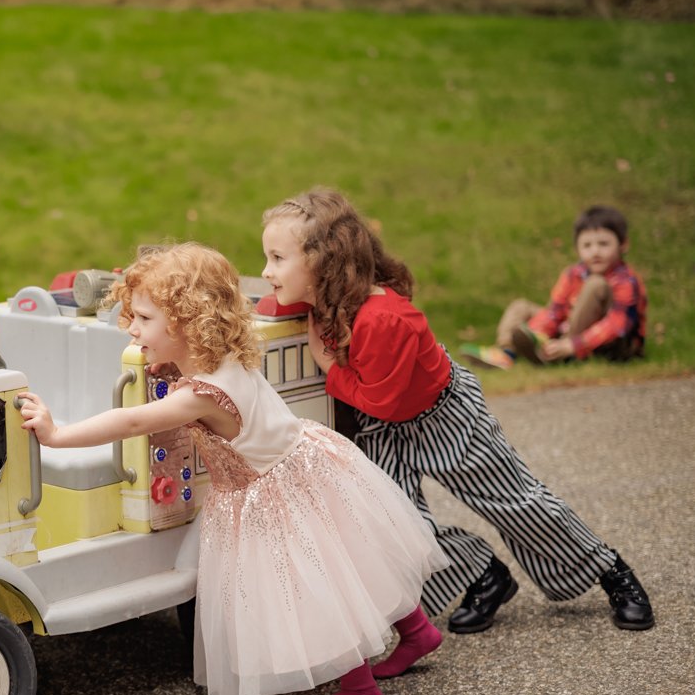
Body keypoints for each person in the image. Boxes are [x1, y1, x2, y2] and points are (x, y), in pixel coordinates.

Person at [18, 243, 449, 695]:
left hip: (271, 492)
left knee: (312, 585)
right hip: (305, 464)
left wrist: (57, 435)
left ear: (183, 324)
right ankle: (416, 632)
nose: (131, 328)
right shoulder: (221, 355)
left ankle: (360, 688)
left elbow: (132, 420)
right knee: (348, 559)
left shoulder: (200, 396)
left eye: (142, 318)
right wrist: (168, 363)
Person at [260, 188, 654, 639]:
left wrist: (330, 367)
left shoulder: (383, 318)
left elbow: (380, 398)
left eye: (276, 258)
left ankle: (612, 572)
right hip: (385, 427)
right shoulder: (320, 298)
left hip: (443, 416)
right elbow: (269, 307)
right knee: (391, 522)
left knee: (515, 504)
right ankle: (484, 572)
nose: (267, 272)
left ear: (324, 260)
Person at [461, 205, 647, 370]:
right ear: (577, 249)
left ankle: (559, 353)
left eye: (603, 244)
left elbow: (617, 324)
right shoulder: (573, 274)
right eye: (587, 245)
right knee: (521, 307)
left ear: (623, 244)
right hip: (567, 333)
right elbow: (554, 312)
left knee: (596, 284)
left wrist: (572, 345)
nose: (595, 251)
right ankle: (507, 353)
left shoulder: (626, 280)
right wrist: (537, 334)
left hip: (610, 346)